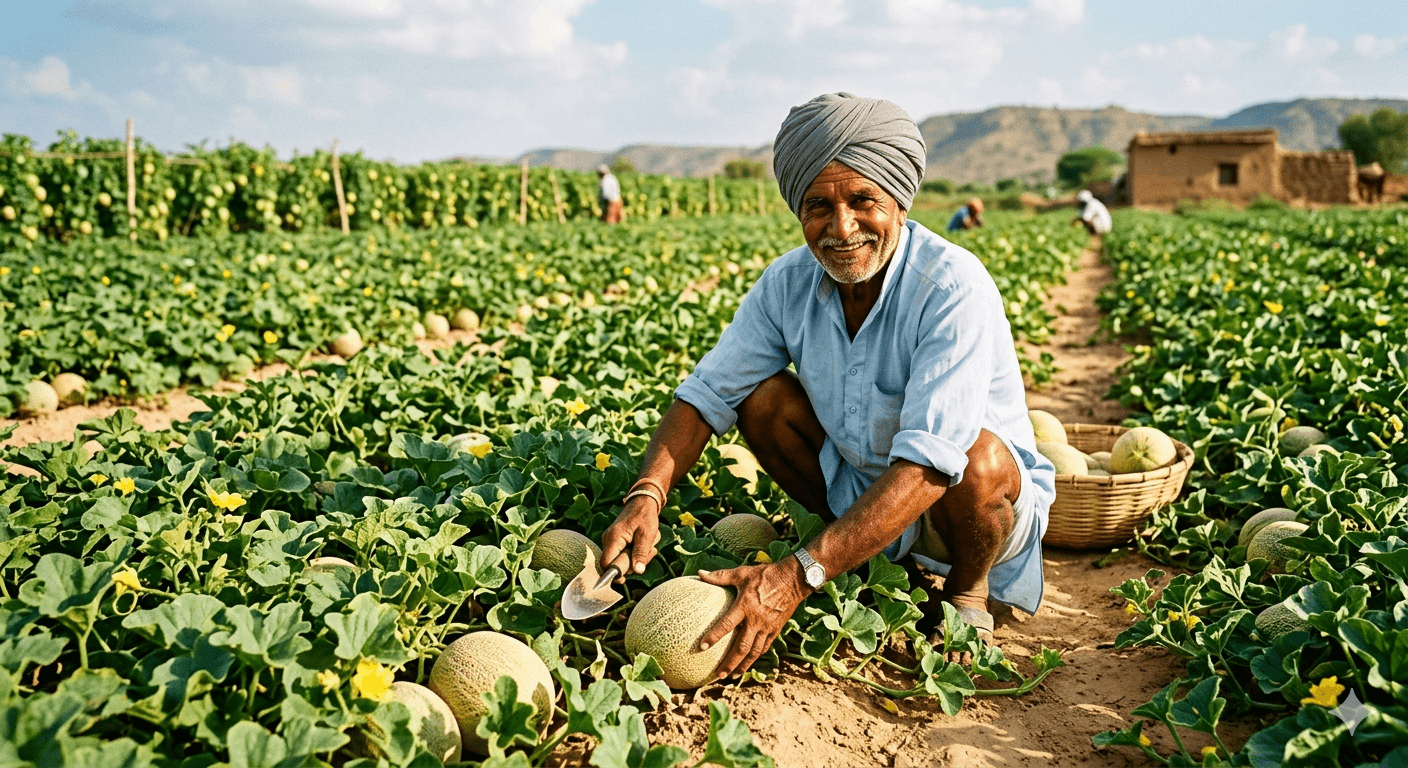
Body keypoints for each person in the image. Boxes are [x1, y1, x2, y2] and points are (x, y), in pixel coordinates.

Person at [598, 92, 1055, 681]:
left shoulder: (951, 285)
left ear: (898, 201)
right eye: (818, 206)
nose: (841, 228)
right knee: (759, 399)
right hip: (859, 484)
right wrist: (648, 494)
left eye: (863, 200)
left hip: (967, 514)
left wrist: (795, 574)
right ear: (798, 209)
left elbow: (929, 467)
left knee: (977, 456)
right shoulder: (787, 284)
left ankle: (966, 592)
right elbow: (708, 392)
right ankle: (869, 560)